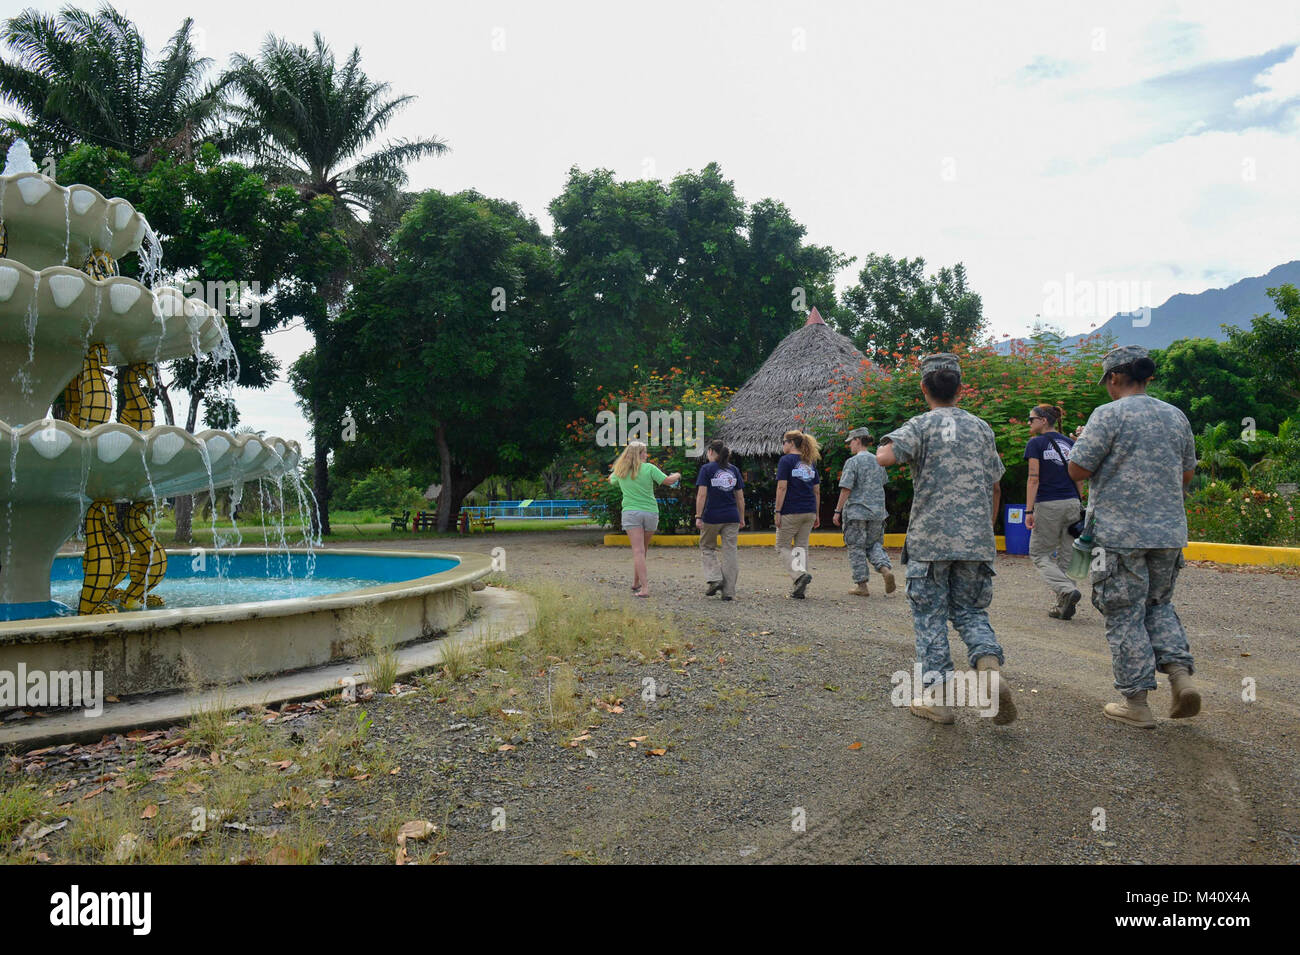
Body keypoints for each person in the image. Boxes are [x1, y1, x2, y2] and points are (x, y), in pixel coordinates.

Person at [877, 353, 1016, 725]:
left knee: (930, 617)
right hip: (975, 541)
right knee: (971, 611)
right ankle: (988, 670)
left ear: (924, 388)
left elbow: (885, 458)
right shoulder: (982, 428)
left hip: (931, 542)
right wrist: (983, 528)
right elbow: (995, 483)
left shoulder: (921, 425)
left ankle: (938, 700)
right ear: (960, 388)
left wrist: (887, 446)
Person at [1067, 345, 1200, 729]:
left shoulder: (1107, 415)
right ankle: (1181, 677)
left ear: (1114, 378)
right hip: (1169, 532)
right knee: (1158, 606)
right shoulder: (1175, 416)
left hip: (1117, 536)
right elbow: (1186, 475)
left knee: (1123, 612)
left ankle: (1136, 703)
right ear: (1146, 377)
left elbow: (1077, 469)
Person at [1023, 404, 1085, 619]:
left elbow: (1033, 478)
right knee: (1067, 556)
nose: (1029, 422)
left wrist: (1028, 510)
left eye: (1031, 419)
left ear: (1043, 420)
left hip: (1048, 503)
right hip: (1072, 503)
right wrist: (1080, 502)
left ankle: (1067, 591)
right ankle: (1062, 605)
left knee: (1039, 554)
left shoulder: (1035, 444)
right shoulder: (1069, 443)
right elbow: (1078, 477)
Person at [609, 440, 681, 598]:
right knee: (643, 551)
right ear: (638, 454)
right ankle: (636, 583)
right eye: (644, 452)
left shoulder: (621, 470)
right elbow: (668, 481)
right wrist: (677, 474)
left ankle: (645, 588)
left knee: (638, 551)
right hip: (650, 512)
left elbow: (611, 480)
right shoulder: (650, 468)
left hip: (631, 512)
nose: (647, 455)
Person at [834, 427, 896, 597]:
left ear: (857, 441)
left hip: (856, 512)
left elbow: (846, 488)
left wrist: (837, 511)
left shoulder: (852, 462)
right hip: (877, 512)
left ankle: (862, 586)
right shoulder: (878, 460)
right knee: (874, 545)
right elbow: (883, 482)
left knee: (856, 547)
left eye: (850, 442)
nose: (849, 446)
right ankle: (885, 570)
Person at [695, 439, 745, 601]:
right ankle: (729, 592)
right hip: (732, 516)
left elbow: (702, 495)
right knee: (730, 552)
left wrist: (698, 516)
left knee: (707, 546)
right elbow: (740, 498)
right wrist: (741, 517)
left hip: (712, 516)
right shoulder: (734, 470)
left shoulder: (707, 469)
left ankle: (715, 578)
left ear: (710, 451)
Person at [774, 430, 820, 599]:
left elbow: (782, 487)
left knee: (782, 546)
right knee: (801, 547)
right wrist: (817, 513)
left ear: (791, 443)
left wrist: (778, 510)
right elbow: (816, 491)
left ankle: (799, 575)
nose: (783, 445)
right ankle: (800, 588)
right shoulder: (809, 462)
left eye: (784, 441)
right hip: (809, 510)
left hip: (791, 510)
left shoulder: (785, 461)